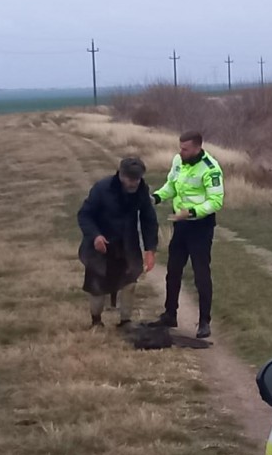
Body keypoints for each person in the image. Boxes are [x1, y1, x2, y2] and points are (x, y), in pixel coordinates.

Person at [150, 131, 224, 339]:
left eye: (185, 149)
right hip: (180, 226)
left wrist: (191, 212)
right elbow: (172, 186)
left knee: (201, 274)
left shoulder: (211, 169)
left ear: (198, 148)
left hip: (200, 226)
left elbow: (216, 201)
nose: (180, 152)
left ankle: (204, 322)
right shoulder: (178, 161)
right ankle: (170, 314)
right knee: (173, 270)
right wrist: (155, 198)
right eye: (180, 148)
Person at [77, 157, 157, 327]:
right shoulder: (102, 188)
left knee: (130, 282)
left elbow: (148, 219)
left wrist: (150, 249)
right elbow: (85, 215)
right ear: (120, 174)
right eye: (130, 179)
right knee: (97, 285)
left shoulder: (142, 190)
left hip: (127, 244)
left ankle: (125, 321)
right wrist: (95, 236)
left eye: (137, 179)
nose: (133, 183)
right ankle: (96, 321)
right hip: (100, 245)